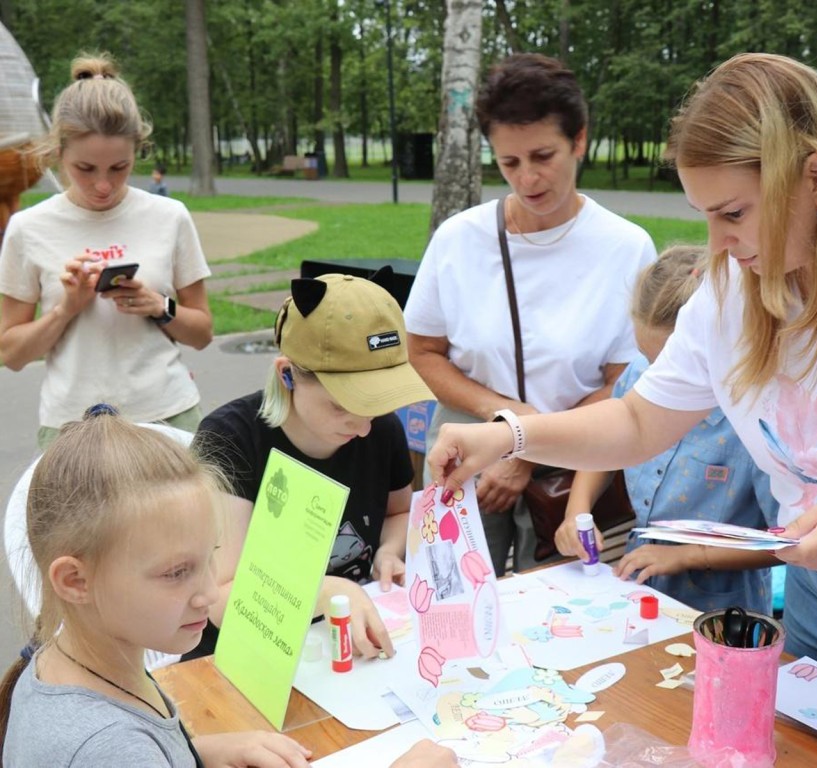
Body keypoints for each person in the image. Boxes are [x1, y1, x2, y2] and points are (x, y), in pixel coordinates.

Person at [426, 52, 817, 673]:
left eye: (733, 214)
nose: (716, 246)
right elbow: (636, 423)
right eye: (704, 216)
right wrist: (507, 435)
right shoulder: (731, 289)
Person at [0, 408, 457, 768]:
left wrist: (201, 753)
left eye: (211, 557)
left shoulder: (81, 661)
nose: (206, 591)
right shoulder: (108, 747)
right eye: (176, 572)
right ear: (76, 581)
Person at [405, 53, 657, 576]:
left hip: (574, 466)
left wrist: (523, 450)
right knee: (451, 607)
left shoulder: (626, 247)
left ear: (580, 139)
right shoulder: (460, 239)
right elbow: (422, 351)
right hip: (465, 450)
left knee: (559, 624)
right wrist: (506, 417)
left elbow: (625, 381)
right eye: (509, 163)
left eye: (543, 155)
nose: (527, 178)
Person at [190, 273, 435, 661]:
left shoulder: (381, 427)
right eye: (342, 403)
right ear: (287, 374)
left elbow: (400, 510)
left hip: (347, 645)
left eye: (377, 402)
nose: (363, 424)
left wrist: (389, 550)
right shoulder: (229, 438)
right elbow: (216, 598)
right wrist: (328, 592)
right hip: (246, 655)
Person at [0, 53, 212, 450]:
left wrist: (156, 305)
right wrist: (67, 308)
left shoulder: (170, 216)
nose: (103, 185)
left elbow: (202, 333)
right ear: (58, 153)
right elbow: (10, 352)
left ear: (137, 152)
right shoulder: (28, 228)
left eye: (119, 167)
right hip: (73, 428)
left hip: (167, 415)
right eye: (85, 168)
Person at [554, 246, 779, 614]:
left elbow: (787, 542)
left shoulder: (759, 418)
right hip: (639, 584)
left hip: (722, 609)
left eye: (671, 364)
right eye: (648, 360)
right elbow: (609, 445)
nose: (660, 379)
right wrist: (577, 512)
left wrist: (689, 556)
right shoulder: (641, 373)